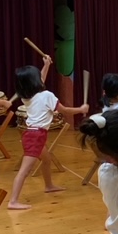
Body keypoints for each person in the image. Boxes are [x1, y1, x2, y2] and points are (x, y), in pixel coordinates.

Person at [8, 59, 89, 210]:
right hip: (36, 136)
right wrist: (81, 109)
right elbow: (64, 111)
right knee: (24, 171)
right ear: (36, 81)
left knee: (46, 160)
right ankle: (13, 201)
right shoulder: (46, 95)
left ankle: (49, 186)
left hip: (31, 134)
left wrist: (46, 65)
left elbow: (41, 80)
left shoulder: (27, 96)